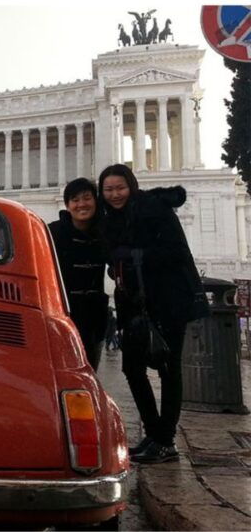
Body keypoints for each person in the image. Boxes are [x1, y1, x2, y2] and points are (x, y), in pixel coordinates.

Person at [98, 164, 208, 464]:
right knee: (132, 368)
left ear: (131, 186)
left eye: (119, 187)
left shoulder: (154, 208)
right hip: (135, 305)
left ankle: (165, 440)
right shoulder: (111, 219)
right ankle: (155, 433)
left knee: (168, 369)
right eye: (108, 190)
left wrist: (134, 256)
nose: (114, 194)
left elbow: (175, 252)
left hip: (167, 301)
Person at [48, 178, 108, 372]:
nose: (81, 204)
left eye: (87, 198)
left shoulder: (105, 232)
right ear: (67, 205)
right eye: (75, 200)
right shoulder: (52, 232)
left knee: (89, 371)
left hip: (93, 317)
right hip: (62, 315)